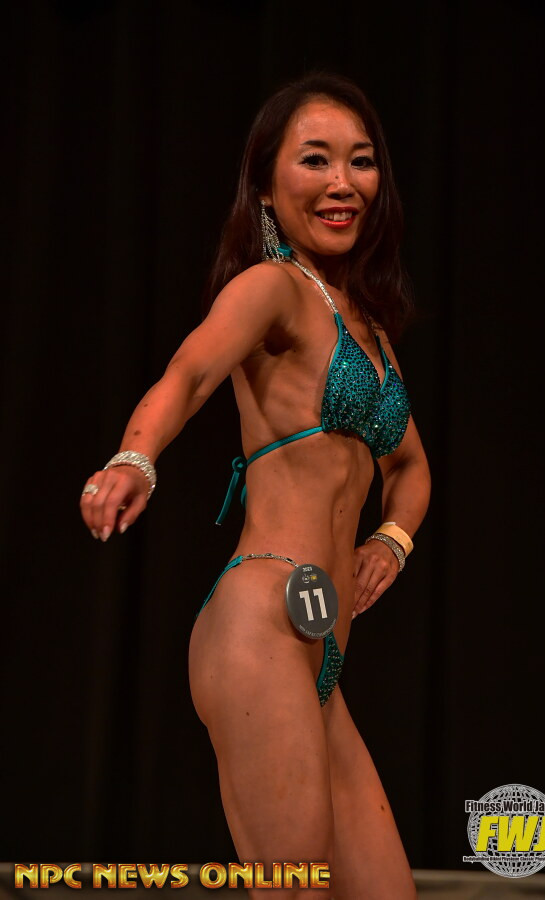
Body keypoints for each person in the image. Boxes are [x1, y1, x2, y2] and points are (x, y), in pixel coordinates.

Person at [80, 73, 430, 899]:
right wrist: (135, 458)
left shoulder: (371, 327)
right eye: (316, 160)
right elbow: (191, 373)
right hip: (262, 625)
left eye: (361, 161)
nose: (343, 182)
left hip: (322, 650)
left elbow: (410, 466)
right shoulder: (272, 287)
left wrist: (391, 539)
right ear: (267, 187)